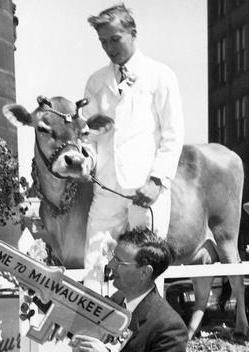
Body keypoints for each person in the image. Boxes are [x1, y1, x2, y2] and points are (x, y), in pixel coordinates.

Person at [81, 4, 184, 284]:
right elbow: (89, 136)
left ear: (132, 33)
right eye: (103, 42)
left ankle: (147, 328)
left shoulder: (160, 75)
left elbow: (173, 134)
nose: (109, 48)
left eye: (115, 39)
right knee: (95, 263)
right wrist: (85, 160)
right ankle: (97, 328)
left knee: (146, 267)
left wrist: (157, 181)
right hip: (107, 189)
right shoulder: (95, 82)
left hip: (146, 191)